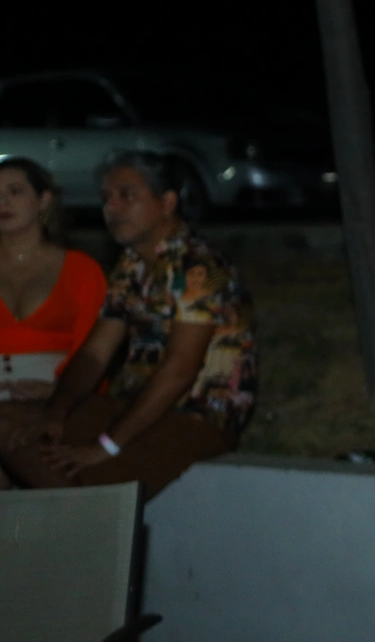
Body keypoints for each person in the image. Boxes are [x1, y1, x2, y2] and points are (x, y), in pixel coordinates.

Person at [0, 151, 255, 499]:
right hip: (129, 405)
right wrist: (56, 412)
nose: (112, 207)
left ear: (166, 203)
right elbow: (94, 354)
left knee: (66, 465)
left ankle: (90, 518)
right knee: (10, 422)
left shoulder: (197, 266)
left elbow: (180, 369)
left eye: (126, 195)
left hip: (194, 416)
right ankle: (77, 511)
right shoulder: (133, 265)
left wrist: (106, 445)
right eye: (106, 198)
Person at [0, 157, 106, 407]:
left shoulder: (82, 269)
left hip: (58, 397)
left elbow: (94, 352)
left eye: (15, 191)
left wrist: (58, 391)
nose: (3, 201)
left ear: (44, 200)